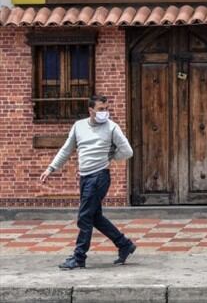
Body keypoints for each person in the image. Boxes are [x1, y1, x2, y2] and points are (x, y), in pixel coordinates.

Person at [39, 95, 137, 269]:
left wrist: (112, 157)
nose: (105, 112)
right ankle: (124, 244)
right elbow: (66, 149)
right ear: (91, 110)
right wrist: (51, 168)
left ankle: (79, 257)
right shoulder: (79, 126)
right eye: (101, 109)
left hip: (99, 177)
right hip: (85, 177)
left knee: (84, 216)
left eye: (107, 108)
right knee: (95, 217)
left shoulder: (112, 128)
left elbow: (127, 151)